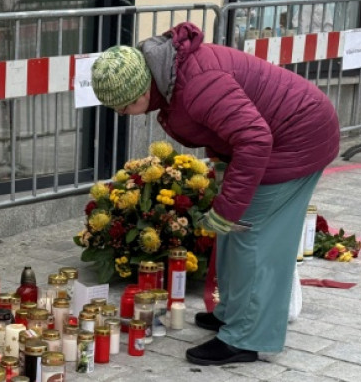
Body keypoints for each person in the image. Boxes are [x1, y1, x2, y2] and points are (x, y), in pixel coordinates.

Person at [90, 22, 339, 366]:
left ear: (142, 88)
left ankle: (247, 338)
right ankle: (233, 314)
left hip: (297, 138)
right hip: (276, 136)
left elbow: (254, 138)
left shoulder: (197, 85)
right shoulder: (171, 77)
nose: (122, 115)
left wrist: (230, 206)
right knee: (234, 233)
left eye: (124, 106)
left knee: (253, 237)